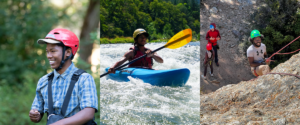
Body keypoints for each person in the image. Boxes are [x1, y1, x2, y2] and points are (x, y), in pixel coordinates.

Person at [29, 28, 98, 125]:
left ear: (68, 52)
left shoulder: (84, 79)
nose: (49, 55)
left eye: (53, 51)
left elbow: (88, 113)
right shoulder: (43, 81)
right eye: (47, 51)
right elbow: (37, 113)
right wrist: (35, 115)